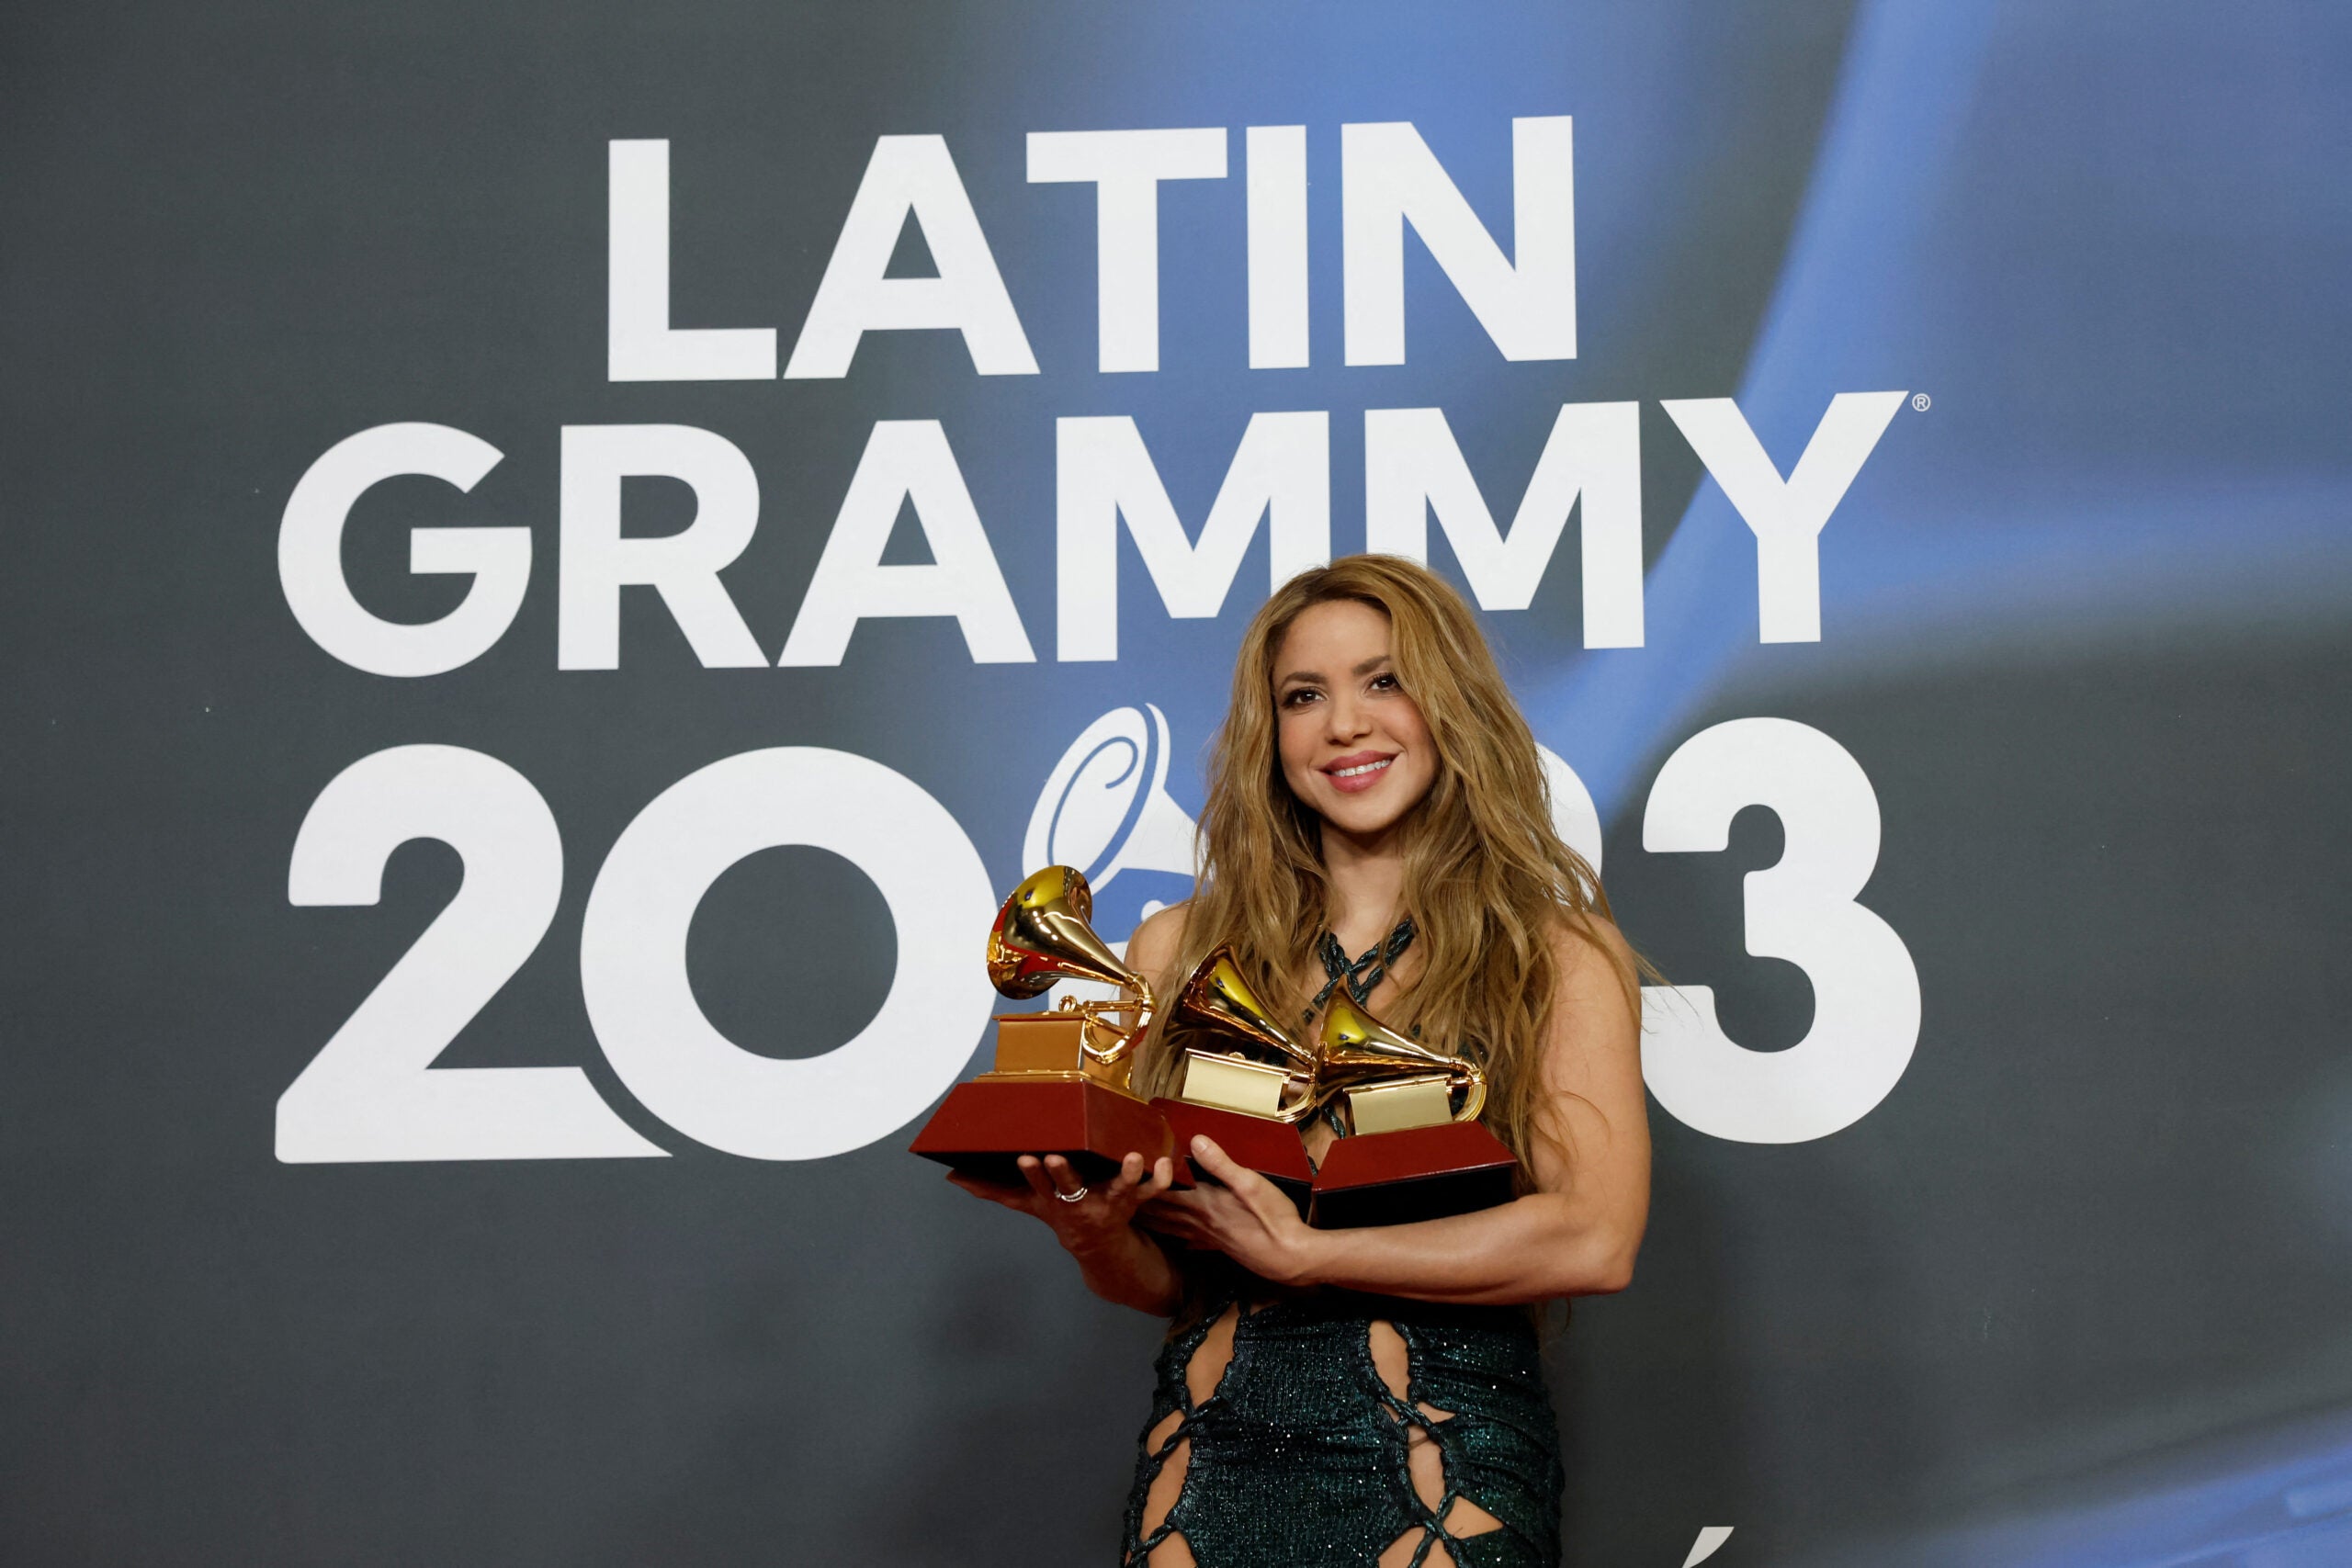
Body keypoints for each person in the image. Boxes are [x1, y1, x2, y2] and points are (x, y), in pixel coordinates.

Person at [949, 556, 1650, 1568]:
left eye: (1384, 680)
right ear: (1270, 736)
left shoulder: (1552, 952)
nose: (1345, 724)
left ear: (1448, 702)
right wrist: (1093, 1233)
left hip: (1440, 1465)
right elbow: (1167, 1281)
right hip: (1204, 1462)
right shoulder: (1173, 954)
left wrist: (1312, 1256)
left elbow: (1592, 1240)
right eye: (1303, 697)